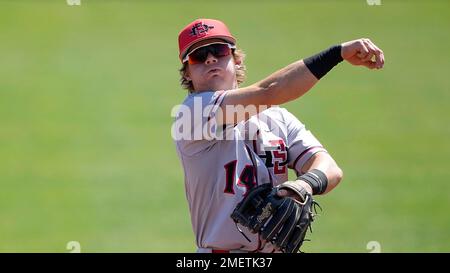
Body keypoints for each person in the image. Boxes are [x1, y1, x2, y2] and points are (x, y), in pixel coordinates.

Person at [172, 18, 384, 253]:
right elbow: (270, 91)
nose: (210, 58)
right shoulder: (191, 115)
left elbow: (330, 169)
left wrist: (304, 184)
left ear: (236, 59)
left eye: (219, 50)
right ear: (187, 73)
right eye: (198, 56)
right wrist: (338, 54)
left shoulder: (278, 119)